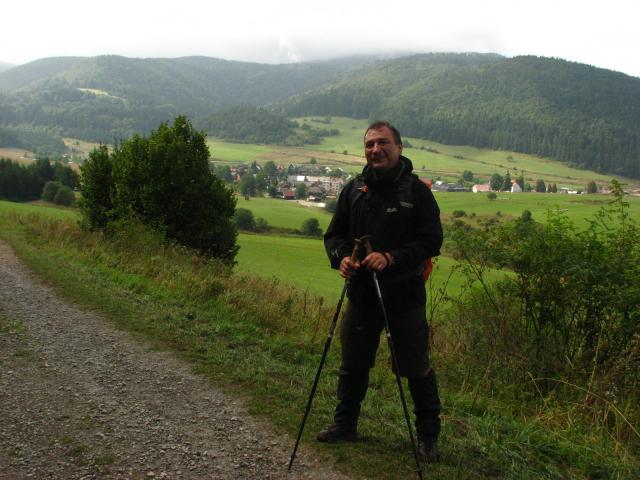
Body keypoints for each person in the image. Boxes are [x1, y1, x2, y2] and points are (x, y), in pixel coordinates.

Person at [320, 121, 443, 463]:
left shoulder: (417, 192)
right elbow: (334, 236)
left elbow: (432, 241)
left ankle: (428, 438)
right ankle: (345, 425)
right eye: (370, 144)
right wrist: (342, 258)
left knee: (415, 367)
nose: (376, 150)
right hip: (362, 291)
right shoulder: (353, 190)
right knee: (353, 360)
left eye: (383, 143)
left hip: (404, 294)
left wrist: (391, 258)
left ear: (399, 148)